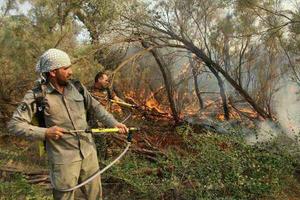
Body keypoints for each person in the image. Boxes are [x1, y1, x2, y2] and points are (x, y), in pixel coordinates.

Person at [7, 48, 128, 200]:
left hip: (89, 153)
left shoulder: (77, 87)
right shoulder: (37, 95)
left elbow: (96, 107)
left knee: (96, 196)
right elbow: (14, 125)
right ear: (52, 72)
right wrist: (45, 133)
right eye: (65, 68)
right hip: (63, 160)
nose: (70, 72)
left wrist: (114, 123)